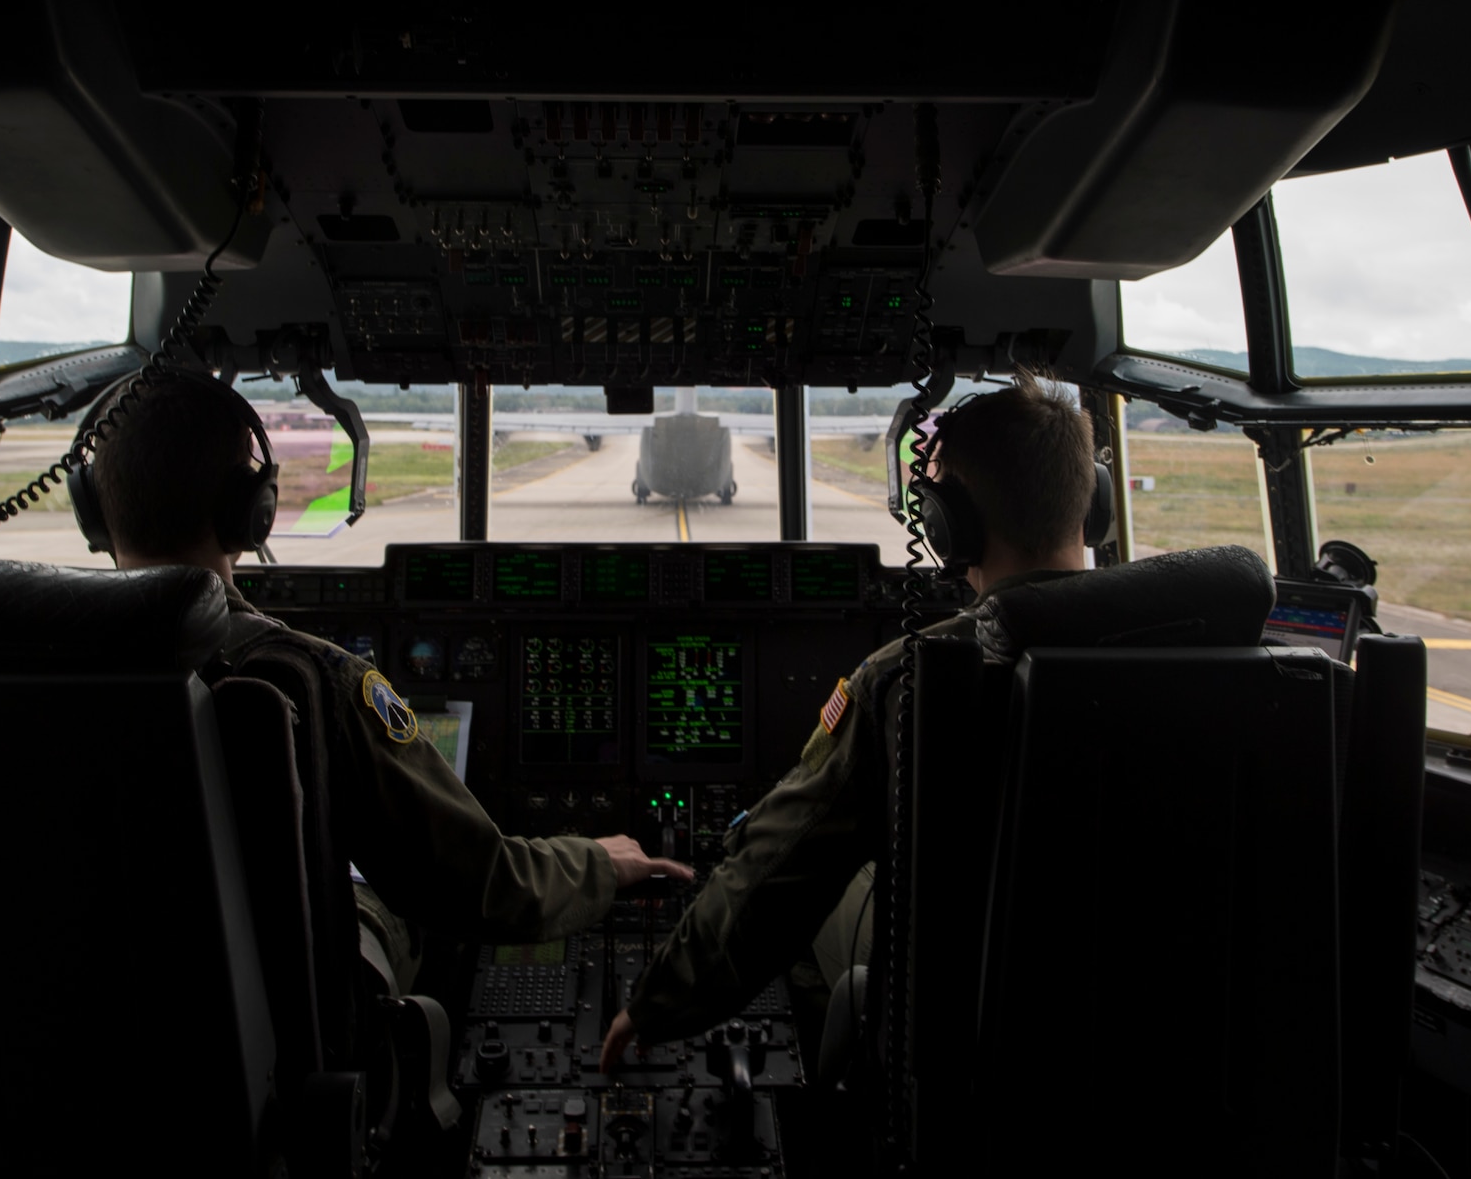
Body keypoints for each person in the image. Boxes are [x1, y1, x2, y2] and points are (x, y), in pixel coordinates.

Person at [88, 371, 692, 985]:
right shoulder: (311, 680)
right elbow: (482, 888)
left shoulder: (18, 664)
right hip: (280, 1032)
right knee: (381, 900)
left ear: (95, 510)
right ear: (250, 513)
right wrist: (598, 863)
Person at [603, 372, 1115, 1063]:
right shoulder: (1199, 644)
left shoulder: (908, 676)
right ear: (1095, 507)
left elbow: (781, 869)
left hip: (973, 985)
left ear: (949, 524)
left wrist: (656, 1002)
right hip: (1134, 985)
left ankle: (845, 1089)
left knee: (832, 882)